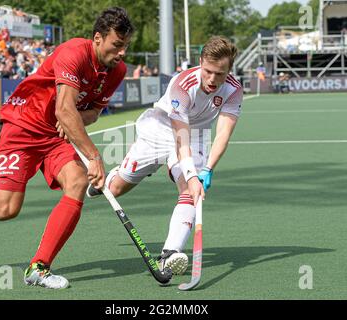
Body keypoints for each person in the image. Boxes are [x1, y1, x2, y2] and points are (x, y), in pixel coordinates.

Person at [0, 7, 135, 289]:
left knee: (77, 183)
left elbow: (92, 113)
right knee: (6, 209)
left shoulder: (117, 70)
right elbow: (65, 109)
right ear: (98, 38)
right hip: (23, 128)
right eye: (117, 45)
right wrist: (93, 156)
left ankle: (38, 267)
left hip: (55, 137)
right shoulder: (73, 53)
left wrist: (75, 119)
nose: (122, 52)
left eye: (126, 46)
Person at [84, 36, 243, 275]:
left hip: (197, 134)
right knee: (116, 189)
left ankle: (170, 253)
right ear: (200, 62)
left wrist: (207, 169)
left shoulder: (234, 90)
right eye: (208, 71)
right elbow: (180, 137)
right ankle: (108, 179)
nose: (212, 80)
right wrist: (192, 174)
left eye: (219, 74)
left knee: (191, 192)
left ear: (229, 70)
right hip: (160, 131)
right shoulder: (182, 83)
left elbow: (222, 134)